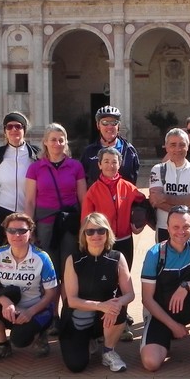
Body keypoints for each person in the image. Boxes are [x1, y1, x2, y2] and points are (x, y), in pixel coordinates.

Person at [140, 205, 190, 371]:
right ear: (168, 228)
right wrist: (173, 326)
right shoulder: (155, 254)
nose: (181, 231)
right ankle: (165, 337)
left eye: (186, 226)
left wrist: (186, 286)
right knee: (151, 363)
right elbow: (147, 299)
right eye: (176, 227)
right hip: (161, 315)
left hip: (188, 307)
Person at [80, 145, 148, 341]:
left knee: (123, 282)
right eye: (106, 161)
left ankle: (121, 322)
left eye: (114, 162)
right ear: (99, 165)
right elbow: (86, 221)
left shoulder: (128, 187)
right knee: (103, 283)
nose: (110, 165)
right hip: (102, 243)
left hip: (124, 241)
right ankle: (100, 324)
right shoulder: (93, 191)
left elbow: (144, 203)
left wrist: (140, 222)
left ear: (120, 164)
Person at [59, 213, 135, 373]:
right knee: (76, 366)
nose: (96, 235)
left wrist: (117, 304)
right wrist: (101, 306)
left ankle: (108, 351)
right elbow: (72, 300)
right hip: (79, 315)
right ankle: (89, 339)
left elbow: (130, 294)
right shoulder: (73, 259)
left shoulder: (117, 257)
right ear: (83, 235)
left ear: (107, 233)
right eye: (90, 231)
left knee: (118, 307)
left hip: (106, 315)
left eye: (101, 230)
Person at [0, 212, 58, 362]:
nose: (17, 235)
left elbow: (51, 293)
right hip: (11, 308)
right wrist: (6, 303)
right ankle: (2, 345)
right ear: (6, 232)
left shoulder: (42, 257)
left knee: (20, 340)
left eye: (22, 231)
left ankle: (40, 334)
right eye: (12, 230)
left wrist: (30, 312)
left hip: (36, 310)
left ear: (30, 232)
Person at [25, 122, 87, 282]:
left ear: (66, 142)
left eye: (61, 140)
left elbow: (83, 198)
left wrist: (85, 225)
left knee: (69, 267)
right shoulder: (35, 168)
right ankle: (50, 299)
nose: (57, 143)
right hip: (45, 224)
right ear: (45, 142)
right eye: (53, 139)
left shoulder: (76, 166)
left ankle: (67, 298)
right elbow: (30, 201)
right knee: (48, 268)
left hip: (69, 223)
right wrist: (29, 228)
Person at [0, 111, 40, 249]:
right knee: (1, 251)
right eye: (9, 127)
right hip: (3, 210)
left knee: (29, 251)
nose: (14, 130)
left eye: (18, 126)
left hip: (29, 211)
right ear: (5, 131)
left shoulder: (36, 155)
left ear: (24, 130)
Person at [149, 128, 190, 242]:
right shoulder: (157, 169)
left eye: (182, 145)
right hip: (164, 227)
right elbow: (155, 200)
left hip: (187, 229)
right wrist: (185, 213)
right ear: (166, 147)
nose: (178, 149)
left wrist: (164, 197)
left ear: (188, 147)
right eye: (173, 145)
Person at [79, 105, 140, 186]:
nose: (109, 126)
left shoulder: (129, 151)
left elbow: (133, 180)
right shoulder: (88, 152)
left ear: (118, 125)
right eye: (105, 122)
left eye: (114, 122)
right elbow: (82, 181)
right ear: (98, 125)